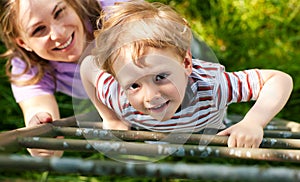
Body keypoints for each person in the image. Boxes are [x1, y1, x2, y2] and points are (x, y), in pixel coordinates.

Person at [80, 0, 293, 148]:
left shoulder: (212, 86)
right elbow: (88, 66)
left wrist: (253, 122)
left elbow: (278, 79)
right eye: (135, 85)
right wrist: (110, 118)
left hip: (204, 116)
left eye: (160, 77)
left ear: (187, 64)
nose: (151, 95)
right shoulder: (119, 96)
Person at [0, 0, 127, 157]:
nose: (59, 34)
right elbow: (38, 109)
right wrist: (42, 136)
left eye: (59, 12)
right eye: (39, 29)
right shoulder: (27, 67)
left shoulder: (116, 14)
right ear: (23, 43)